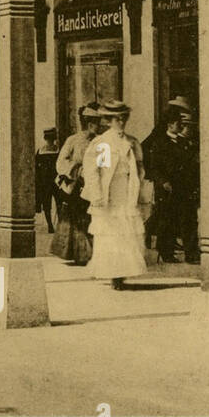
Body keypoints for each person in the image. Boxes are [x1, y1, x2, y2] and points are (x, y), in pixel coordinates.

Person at [83, 99, 147, 289]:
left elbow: (140, 166)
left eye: (123, 118)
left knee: (126, 232)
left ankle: (123, 272)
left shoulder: (131, 142)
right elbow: (95, 170)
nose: (121, 122)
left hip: (127, 190)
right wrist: (97, 195)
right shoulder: (104, 143)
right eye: (117, 119)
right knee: (110, 233)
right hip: (109, 192)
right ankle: (113, 274)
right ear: (109, 120)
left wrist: (137, 183)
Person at [148, 106, 199, 263]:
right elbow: (154, 167)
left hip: (184, 187)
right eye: (178, 123)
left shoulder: (185, 143)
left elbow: (191, 166)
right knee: (167, 220)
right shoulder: (159, 143)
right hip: (167, 189)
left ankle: (191, 254)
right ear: (170, 125)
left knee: (189, 219)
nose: (181, 126)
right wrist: (163, 182)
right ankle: (166, 252)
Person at [52, 103, 100, 264]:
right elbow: (61, 161)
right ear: (87, 123)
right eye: (93, 122)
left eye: (98, 122)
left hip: (93, 184)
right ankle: (80, 254)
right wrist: (74, 169)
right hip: (75, 185)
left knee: (91, 218)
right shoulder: (73, 140)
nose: (97, 126)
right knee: (77, 219)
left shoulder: (100, 142)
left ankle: (91, 253)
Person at [35, 127, 60, 233]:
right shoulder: (54, 150)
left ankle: (54, 224)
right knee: (51, 203)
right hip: (50, 180)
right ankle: (53, 224)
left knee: (53, 203)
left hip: (50, 180)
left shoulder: (55, 150)